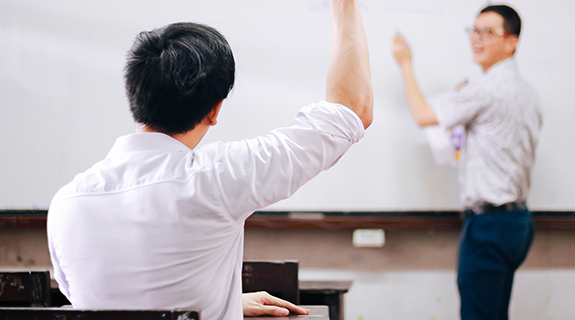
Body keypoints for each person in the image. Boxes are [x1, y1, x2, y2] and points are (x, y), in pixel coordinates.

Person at [47, 1, 372, 319]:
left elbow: (103, 305)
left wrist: (219, 301)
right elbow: (352, 109)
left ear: (133, 92)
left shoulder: (67, 202)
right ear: (214, 110)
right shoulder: (217, 177)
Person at [391, 4, 542, 320]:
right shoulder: (527, 91)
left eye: (489, 32)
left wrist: (405, 63)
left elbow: (423, 115)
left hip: (489, 225)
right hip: (517, 222)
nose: (478, 38)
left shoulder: (484, 90)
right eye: (474, 30)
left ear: (512, 41)